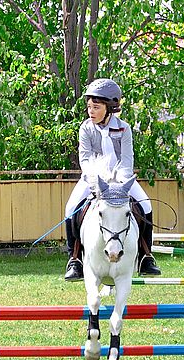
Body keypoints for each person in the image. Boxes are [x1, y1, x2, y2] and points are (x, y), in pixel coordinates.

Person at [64, 78, 162, 281]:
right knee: (70, 208)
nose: (91, 111)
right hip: (93, 179)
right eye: (89, 107)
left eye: (96, 107)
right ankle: (75, 260)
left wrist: (120, 183)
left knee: (146, 205)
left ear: (109, 108)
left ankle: (146, 256)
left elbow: (127, 160)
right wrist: (96, 182)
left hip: (121, 179)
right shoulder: (86, 128)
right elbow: (85, 158)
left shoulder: (124, 129)